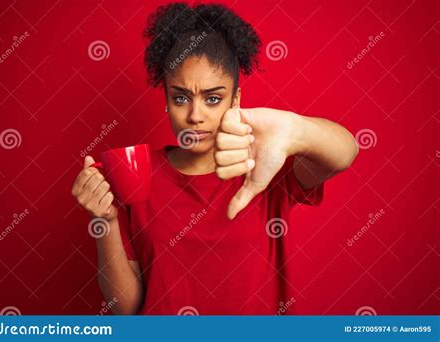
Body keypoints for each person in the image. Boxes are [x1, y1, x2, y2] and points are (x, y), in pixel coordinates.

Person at [71, 3, 359, 315]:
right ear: (166, 99)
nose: (195, 116)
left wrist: (294, 129)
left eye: (213, 99)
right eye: (180, 97)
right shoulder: (137, 175)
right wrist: (105, 220)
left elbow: (345, 152)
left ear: (235, 99)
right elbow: (125, 309)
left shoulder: (264, 162)